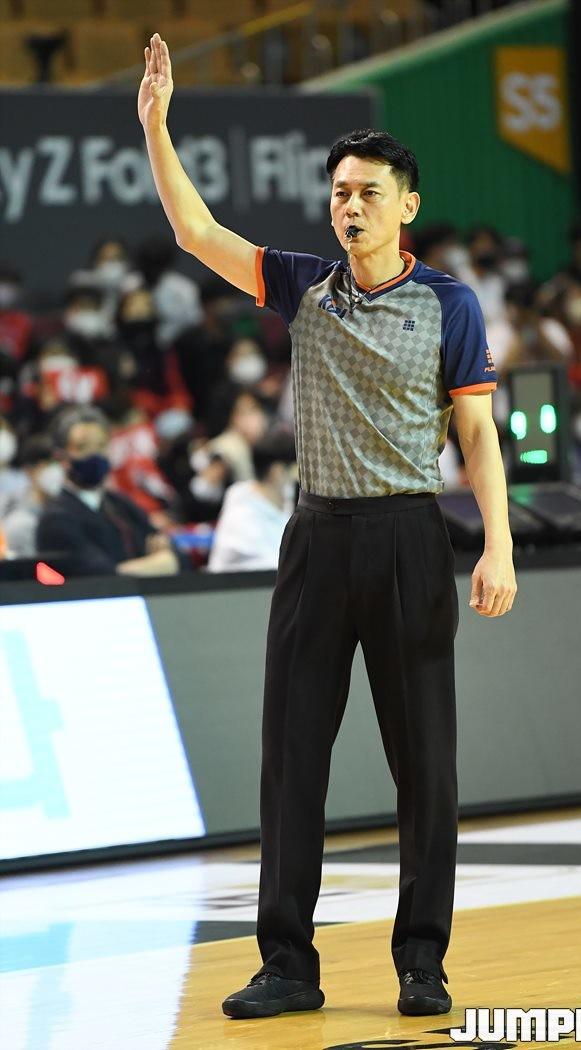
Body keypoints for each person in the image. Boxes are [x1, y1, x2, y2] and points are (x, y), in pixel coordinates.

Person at [140, 31, 516, 1020]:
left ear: (407, 207)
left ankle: (421, 961)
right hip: (314, 540)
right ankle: (288, 966)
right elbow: (195, 231)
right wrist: (156, 125)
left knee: (423, 764)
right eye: (340, 192)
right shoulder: (303, 283)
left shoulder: (449, 305)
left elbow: (477, 435)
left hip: (408, 539)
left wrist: (499, 544)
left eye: (368, 193)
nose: (350, 206)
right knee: (291, 762)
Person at [37, 405, 182, 577]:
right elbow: (101, 575)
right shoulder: (56, 519)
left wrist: (167, 557)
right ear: (61, 457)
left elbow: (178, 556)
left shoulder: (121, 505)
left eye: (101, 445)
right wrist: (161, 563)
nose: (94, 454)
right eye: (82, 447)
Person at [208, 429, 296, 572]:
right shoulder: (241, 513)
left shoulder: (288, 499)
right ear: (277, 472)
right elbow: (267, 568)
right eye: (295, 469)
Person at [3, 434, 64, 557]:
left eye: (60, 463)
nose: (57, 471)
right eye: (47, 465)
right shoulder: (20, 523)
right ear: (28, 470)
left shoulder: (66, 510)